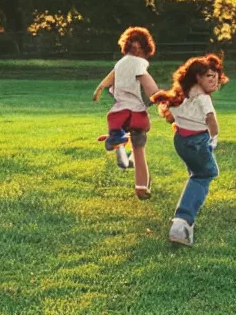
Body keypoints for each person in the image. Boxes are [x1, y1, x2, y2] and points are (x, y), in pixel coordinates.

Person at [151, 54, 228, 247]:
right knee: (204, 174)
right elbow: (211, 121)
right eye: (208, 75)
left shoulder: (182, 94)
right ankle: (182, 222)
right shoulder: (203, 98)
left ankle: (188, 206)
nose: (214, 79)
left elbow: (171, 116)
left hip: (181, 141)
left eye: (216, 75)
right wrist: (213, 141)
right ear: (197, 77)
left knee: (196, 171)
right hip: (197, 141)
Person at [93, 27, 159, 199]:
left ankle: (115, 137)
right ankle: (141, 186)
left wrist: (100, 88)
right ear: (145, 50)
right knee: (138, 148)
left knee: (125, 136)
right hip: (136, 112)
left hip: (120, 112)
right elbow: (149, 85)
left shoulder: (121, 64)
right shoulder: (139, 63)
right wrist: (158, 96)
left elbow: (110, 77)